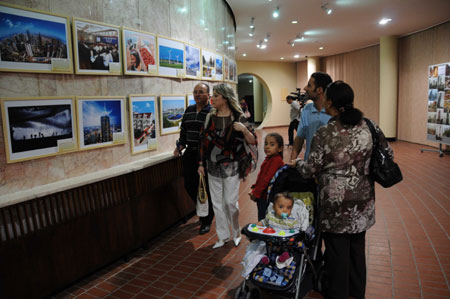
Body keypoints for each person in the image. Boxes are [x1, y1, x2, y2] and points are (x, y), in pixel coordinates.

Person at [289, 81, 394, 298]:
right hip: (362, 203)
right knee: (357, 253)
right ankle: (357, 294)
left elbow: (310, 169)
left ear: (330, 102)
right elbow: (388, 155)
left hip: (334, 206)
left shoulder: (325, 133)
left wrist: (297, 163)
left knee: (337, 256)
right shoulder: (369, 126)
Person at [198, 83, 257, 249]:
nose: (212, 98)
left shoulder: (238, 116)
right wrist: (201, 163)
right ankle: (222, 236)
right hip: (212, 165)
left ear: (225, 98)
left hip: (232, 165)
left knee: (230, 202)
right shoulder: (210, 116)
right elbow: (203, 141)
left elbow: (253, 141)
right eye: (213, 95)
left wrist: (244, 130)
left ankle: (236, 232)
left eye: (216, 96)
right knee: (217, 203)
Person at [174, 83, 214, 235]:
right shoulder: (189, 110)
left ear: (208, 95)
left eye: (201, 92)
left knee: (205, 187)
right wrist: (180, 146)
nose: (197, 95)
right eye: (195, 92)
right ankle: (203, 212)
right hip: (190, 153)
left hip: (205, 155)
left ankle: (206, 219)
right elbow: (183, 130)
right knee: (189, 185)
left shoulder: (212, 112)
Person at [290, 72, 332, 161]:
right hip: (309, 166)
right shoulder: (307, 109)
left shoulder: (333, 112)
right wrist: (292, 161)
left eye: (309, 85)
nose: (305, 88)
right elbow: (300, 137)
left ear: (319, 90)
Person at [249, 133, 285, 221]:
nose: (267, 147)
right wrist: (255, 187)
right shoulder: (269, 159)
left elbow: (266, 179)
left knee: (264, 219)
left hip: (267, 198)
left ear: (280, 148)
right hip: (263, 196)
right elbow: (262, 176)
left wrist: (256, 193)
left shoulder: (276, 161)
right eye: (266, 144)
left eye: (272, 144)